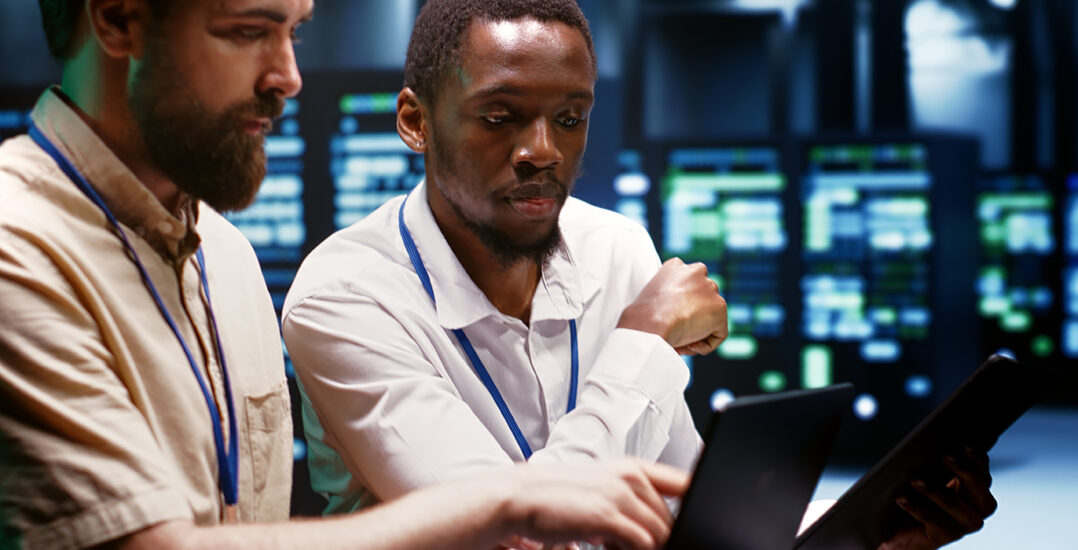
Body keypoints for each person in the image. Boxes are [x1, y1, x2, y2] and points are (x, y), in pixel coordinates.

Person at [281, 1, 999, 549]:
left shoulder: (616, 247)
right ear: (415, 120)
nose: (543, 151)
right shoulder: (345, 294)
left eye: (569, 118)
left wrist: (871, 525)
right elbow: (511, 528)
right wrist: (644, 340)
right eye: (501, 116)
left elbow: (686, 509)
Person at [0, 1, 693, 549]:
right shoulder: (17, 247)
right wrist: (508, 502)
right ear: (120, 19)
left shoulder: (226, 256)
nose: (287, 78)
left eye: (295, 34)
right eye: (248, 31)